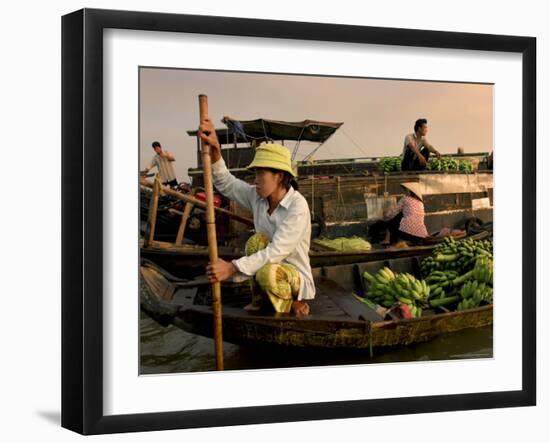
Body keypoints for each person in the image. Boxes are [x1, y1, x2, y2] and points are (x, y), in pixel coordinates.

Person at [198, 118, 314, 317]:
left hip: (294, 278)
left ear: (279, 176)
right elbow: (227, 183)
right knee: (255, 241)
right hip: (268, 270)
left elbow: (277, 251)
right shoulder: (258, 197)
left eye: (260, 174)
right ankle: (261, 298)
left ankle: (293, 303)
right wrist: (216, 149)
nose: (255, 180)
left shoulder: (298, 206)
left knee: (267, 272)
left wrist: (232, 267)